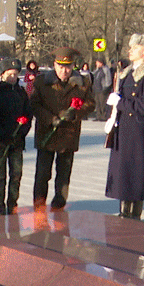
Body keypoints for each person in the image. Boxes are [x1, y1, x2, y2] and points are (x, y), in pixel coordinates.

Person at [105, 33, 144, 219]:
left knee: (135, 171)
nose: (130, 50)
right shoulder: (126, 73)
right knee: (122, 172)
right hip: (122, 128)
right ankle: (123, 211)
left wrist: (121, 104)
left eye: (135, 47)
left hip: (136, 130)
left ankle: (134, 214)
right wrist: (112, 115)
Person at [31, 47, 95, 211]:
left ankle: (59, 204)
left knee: (64, 175)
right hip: (47, 133)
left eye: (68, 67)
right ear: (54, 65)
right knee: (43, 174)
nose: (64, 70)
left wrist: (75, 114)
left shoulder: (83, 83)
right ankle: (39, 205)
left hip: (69, 135)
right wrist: (50, 119)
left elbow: (90, 103)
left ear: (73, 66)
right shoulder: (41, 82)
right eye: (60, 66)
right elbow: (34, 105)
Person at [0, 58, 33, 215]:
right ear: (3, 74)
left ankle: (12, 204)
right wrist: (1, 135)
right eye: (9, 74)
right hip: (0, 142)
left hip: (17, 142)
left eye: (15, 74)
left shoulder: (21, 93)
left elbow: (28, 115)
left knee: (16, 175)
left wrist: (21, 131)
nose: (13, 78)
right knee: (0, 177)